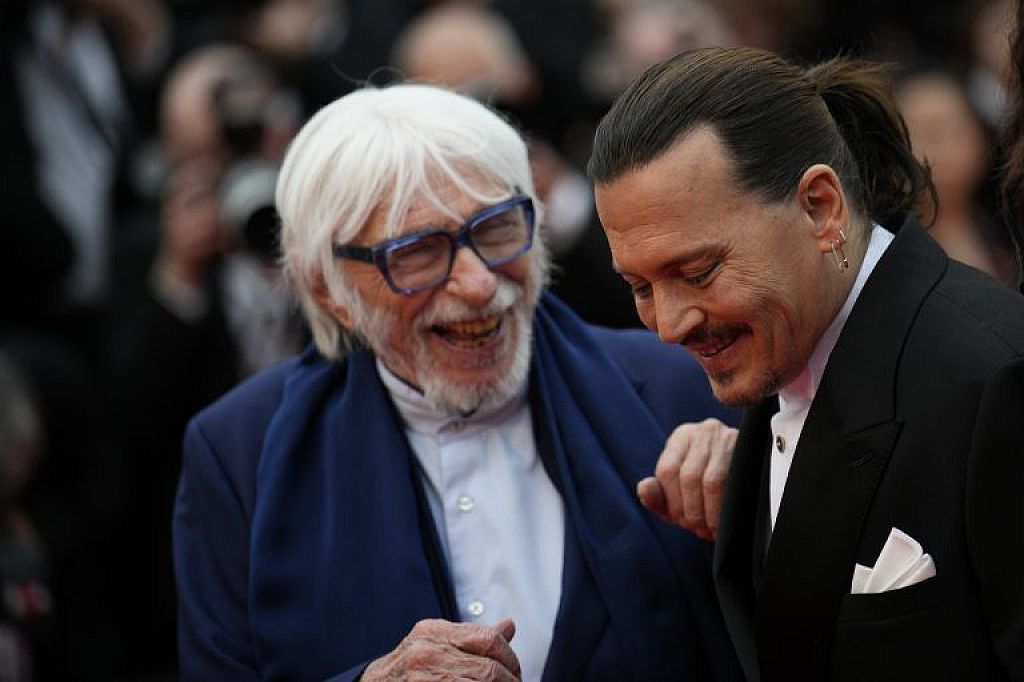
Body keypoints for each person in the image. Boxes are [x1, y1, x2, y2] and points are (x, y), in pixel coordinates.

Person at [172, 83, 743, 681]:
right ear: (328, 290)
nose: (476, 285)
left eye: (496, 229)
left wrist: (763, 511)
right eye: (417, 253)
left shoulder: (683, 386)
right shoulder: (237, 451)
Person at [589, 46, 1024, 680]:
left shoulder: (997, 379)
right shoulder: (777, 354)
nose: (670, 324)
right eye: (641, 287)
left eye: (698, 271)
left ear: (820, 207)